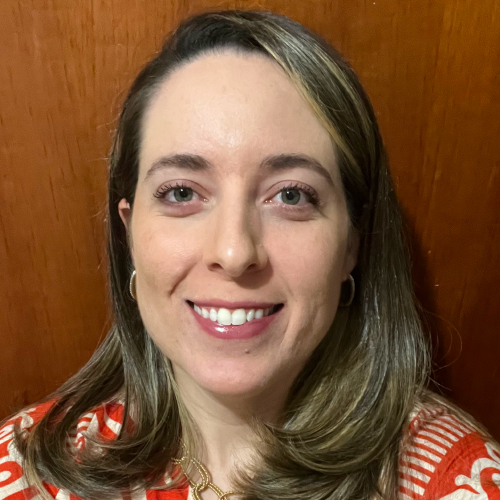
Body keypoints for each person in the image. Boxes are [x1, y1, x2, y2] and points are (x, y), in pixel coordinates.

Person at [0, 9, 499, 500]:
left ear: (352, 244)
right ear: (129, 234)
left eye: (291, 195)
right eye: (181, 193)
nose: (235, 252)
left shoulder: (458, 482)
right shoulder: (22, 471)